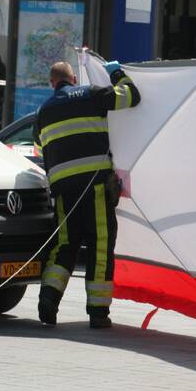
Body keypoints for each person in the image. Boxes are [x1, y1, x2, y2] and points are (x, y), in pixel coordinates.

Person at [32, 60, 141, 329]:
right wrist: (116, 72)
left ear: (52, 83)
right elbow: (131, 96)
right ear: (73, 79)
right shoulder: (92, 94)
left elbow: (38, 148)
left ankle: (49, 297)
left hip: (63, 189)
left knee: (65, 244)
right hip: (94, 184)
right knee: (100, 243)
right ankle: (98, 311)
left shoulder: (43, 111)